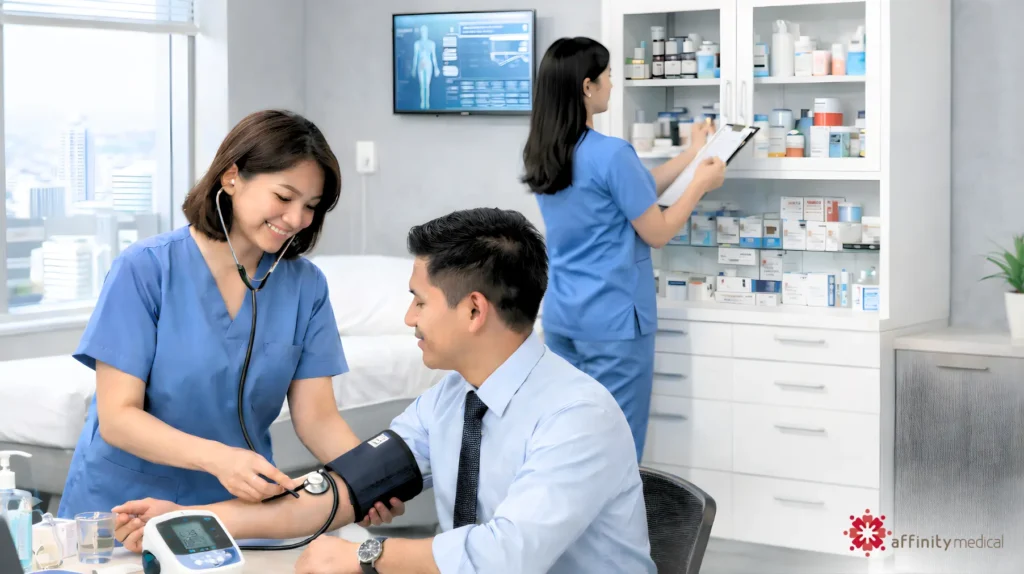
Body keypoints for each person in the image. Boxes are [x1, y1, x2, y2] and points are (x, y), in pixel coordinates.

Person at [111, 208, 656, 574]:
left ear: (473, 310)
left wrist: (364, 554)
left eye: (419, 301)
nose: (407, 317)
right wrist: (188, 522)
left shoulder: (576, 414)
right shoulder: (448, 401)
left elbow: (506, 555)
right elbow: (341, 489)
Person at [57, 110, 402, 528]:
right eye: (284, 197)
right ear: (232, 177)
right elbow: (118, 417)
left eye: (311, 206)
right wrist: (220, 459)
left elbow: (318, 418)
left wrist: (366, 478)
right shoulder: (146, 269)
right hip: (123, 508)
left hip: (235, 511)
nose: (296, 220)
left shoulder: (305, 286)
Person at [521, 37, 727, 461]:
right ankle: (617, 529)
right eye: (608, 75)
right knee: (616, 451)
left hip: (563, 319)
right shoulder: (612, 153)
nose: (613, 83)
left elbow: (635, 191)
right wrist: (700, 186)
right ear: (587, 87)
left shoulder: (545, 153)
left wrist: (691, 155)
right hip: (614, 324)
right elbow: (658, 230)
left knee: (569, 444)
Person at [412, 24, 440, 110]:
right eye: (422, 31)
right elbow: (415, 57)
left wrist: (436, 68)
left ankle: (426, 103)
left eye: (425, 31)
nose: (423, 33)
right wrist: (413, 68)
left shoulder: (431, 43)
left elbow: (434, 57)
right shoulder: (417, 44)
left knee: (427, 85)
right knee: (422, 85)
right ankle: (422, 103)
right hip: (421, 64)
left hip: (428, 64)